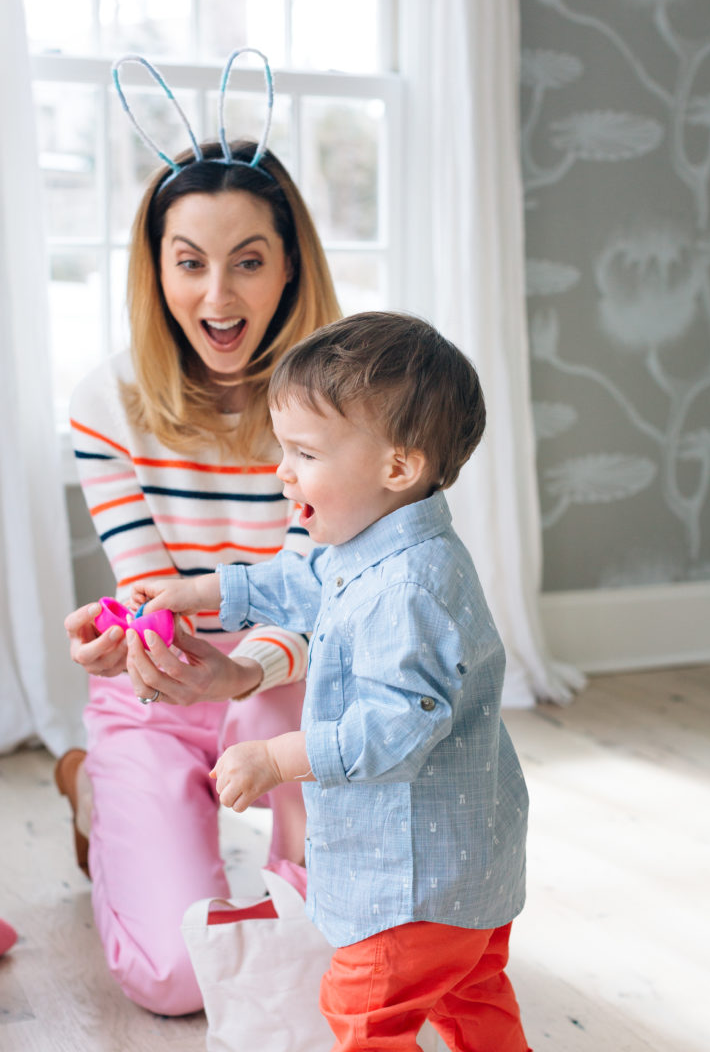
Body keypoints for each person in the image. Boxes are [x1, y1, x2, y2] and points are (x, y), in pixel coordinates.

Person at [132, 312, 532, 1051]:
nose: (283, 471)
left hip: (416, 888)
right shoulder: (376, 544)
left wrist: (275, 757)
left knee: (364, 1015)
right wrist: (201, 592)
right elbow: (302, 578)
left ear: (396, 467)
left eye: (305, 452)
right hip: (468, 873)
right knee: (472, 997)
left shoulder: (409, 587)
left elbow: (394, 729)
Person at [56, 132, 341, 1016]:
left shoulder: (350, 400)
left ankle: (295, 865)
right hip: (170, 688)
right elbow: (149, 593)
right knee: (178, 979)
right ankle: (92, 787)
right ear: (157, 271)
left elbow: (323, 585)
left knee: (340, 945)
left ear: (289, 266)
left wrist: (250, 670)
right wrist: (128, 637)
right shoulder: (108, 401)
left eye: (248, 262)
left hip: (299, 680)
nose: (217, 297)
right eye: (190, 263)